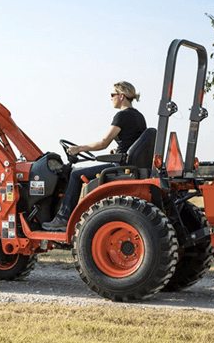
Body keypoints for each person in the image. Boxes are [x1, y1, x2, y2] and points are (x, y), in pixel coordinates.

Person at [42, 81, 146, 232]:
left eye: (113, 95)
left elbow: (103, 143)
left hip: (120, 166)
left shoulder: (121, 116)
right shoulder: (139, 117)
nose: (111, 98)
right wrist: (117, 151)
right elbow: (133, 141)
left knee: (76, 174)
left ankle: (63, 218)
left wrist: (79, 148)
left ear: (121, 96)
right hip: (127, 163)